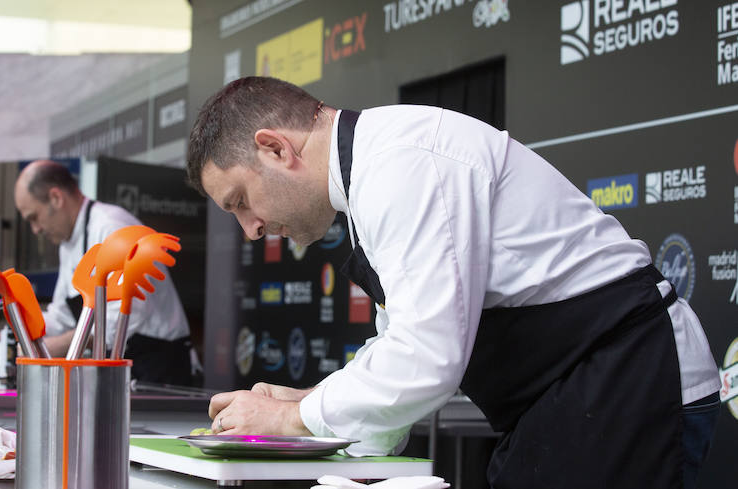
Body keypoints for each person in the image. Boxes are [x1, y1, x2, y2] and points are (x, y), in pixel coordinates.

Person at [186, 77, 722, 489]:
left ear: (276, 149)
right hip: (574, 394)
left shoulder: (402, 163)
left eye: (240, 202)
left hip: (632, 377)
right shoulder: (370, 177)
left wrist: (292, 417)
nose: (251, 229)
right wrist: (314, 402)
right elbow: (402, 342)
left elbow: (426, 358)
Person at [0, 160, 193, 385]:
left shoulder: (111, 227)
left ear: (56, 198)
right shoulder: (69, 243)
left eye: (34, 218)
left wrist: (56, 346)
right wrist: (9, 340)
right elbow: (61, 316)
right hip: (121, 365)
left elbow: (121, 318)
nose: (36, 229)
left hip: (157, 366)